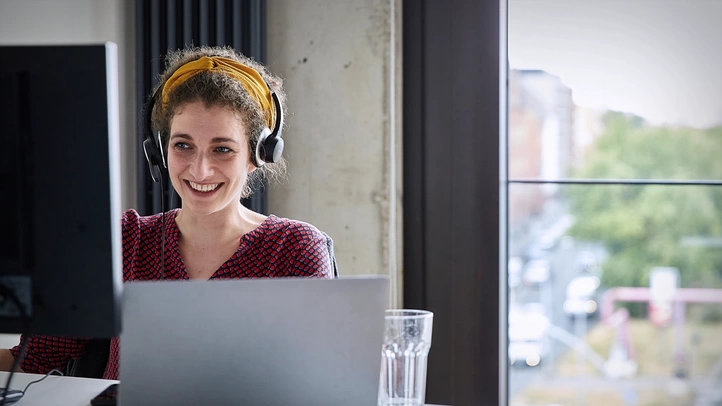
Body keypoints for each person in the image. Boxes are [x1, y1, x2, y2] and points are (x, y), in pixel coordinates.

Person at [0, 45, 335, 380]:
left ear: (257, 155)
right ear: (159, 151)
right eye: (183, 146)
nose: (200, 170)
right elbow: (37, 359)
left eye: (222, 149)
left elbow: (321, 376)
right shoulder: (124, 239)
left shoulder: (294, 247)